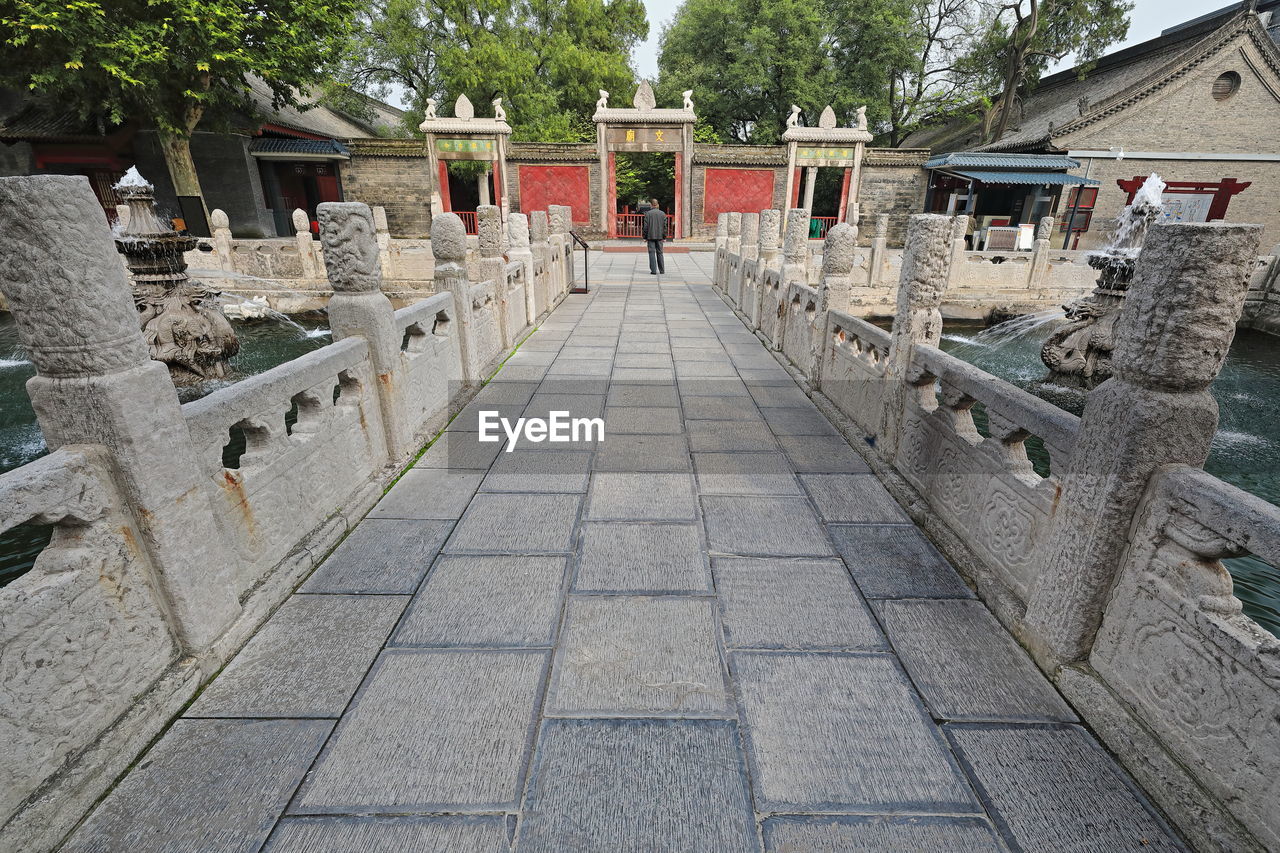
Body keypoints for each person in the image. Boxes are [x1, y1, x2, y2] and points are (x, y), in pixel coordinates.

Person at [643, 198, 667, 275]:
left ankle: (653, 271)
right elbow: (664, 227)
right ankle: (662, 270)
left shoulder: (648, 214)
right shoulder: (662, 214)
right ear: (658, 205)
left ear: (651, 205)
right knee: (660, 253)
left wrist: (644, 237)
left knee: (651, 253)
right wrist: (664, 237)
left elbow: (645, 227)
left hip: (650, 236)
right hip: (660, 236)